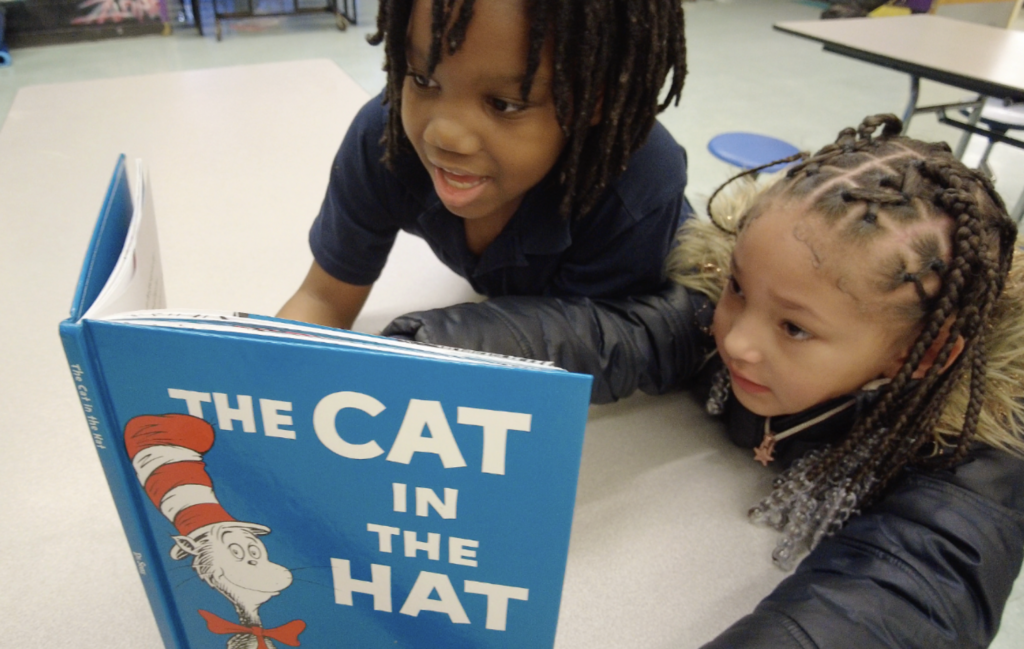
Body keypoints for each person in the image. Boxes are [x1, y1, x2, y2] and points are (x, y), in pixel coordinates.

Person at [383, 114, 1024, 648]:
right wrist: (433, 347)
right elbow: (610, 337)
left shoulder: (971, 456)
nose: (737, 337)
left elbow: (911, 589)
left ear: (922, 351)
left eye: (795, 330)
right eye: (738, 288)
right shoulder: (728, 306)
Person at [277, 0, 690, 330]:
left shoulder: (635, 194)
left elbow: (585, 355)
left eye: (504, 104)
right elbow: (323, 300)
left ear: (592, 101)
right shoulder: (385, 140)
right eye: (423, 79)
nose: (445, 135)